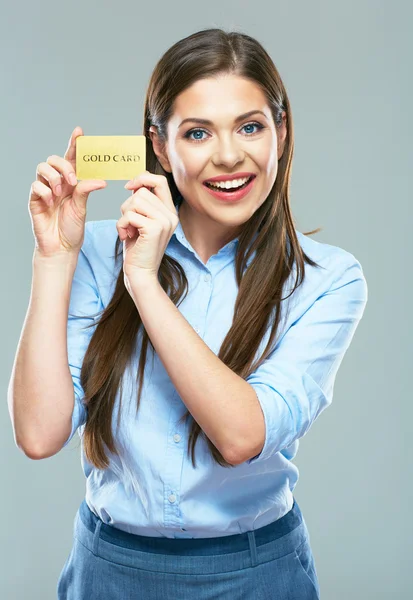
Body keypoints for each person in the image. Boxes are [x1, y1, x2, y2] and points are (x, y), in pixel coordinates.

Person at [10, 27, 368, 599]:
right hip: (108, 571)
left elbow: (240, 436)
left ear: (281, 131)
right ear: (159, 144)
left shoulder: (326, 280)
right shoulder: (98, 252)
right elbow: (38, 433)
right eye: (197, 133)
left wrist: (145, 284)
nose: (229, 155)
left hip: (254, 574)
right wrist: (54, 257)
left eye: (250, 126)